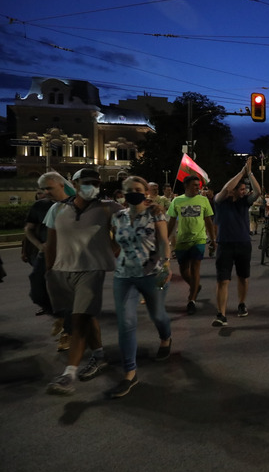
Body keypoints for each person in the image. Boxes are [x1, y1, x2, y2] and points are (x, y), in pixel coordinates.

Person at [44, 168, 124, 395]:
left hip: (91, 271)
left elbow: (127, 228)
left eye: (96, 183)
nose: (93, 187)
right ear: (75, 183)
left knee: (79, 319)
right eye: (87, 182)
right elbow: (51, 243)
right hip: (61, 272)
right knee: (85, 317)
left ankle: (68, 375)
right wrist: (49, 272)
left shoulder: (109, 208)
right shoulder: (57, 209)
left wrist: (110, 253)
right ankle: (99, 355)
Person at [107, 176, 172, 398]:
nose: (133, 192)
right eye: (129, 190)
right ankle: (130, 373)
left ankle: (166, 338)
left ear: (145, 192)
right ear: (123, 193)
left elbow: (164, 241)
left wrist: (165, 264)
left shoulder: (156, 214)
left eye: (138, 189)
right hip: (124, 276)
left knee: (158, 315)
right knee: (126, 323)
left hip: (151, 274)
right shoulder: (118, 217)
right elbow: (115, 243)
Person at [25, 172, 73, 351]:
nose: (46, 192)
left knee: (67, 296)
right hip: (44, 255)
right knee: (36, 292)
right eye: (43, 189)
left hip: (68, 257)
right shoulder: (40, 206)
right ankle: (59, 316)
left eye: (49, 188)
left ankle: (67, 333)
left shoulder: (75, 204)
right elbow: (28, 229)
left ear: (61, 185)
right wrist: (38, 245)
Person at [211, 156, 261, 325]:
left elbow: (258, 192)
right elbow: (226, 189)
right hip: (225, 244)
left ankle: (241, 303)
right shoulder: (220, 201)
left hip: (243, 244)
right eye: (240, 189)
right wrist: (241, 172)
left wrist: (250, 173)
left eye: (244, 189)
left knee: (242, 277)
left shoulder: (244, 203)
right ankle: (221, 314)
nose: (243, 191)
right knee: (222, 280)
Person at [167, 175, 216, 315]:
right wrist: (165, 239)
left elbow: (208, 221)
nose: (198, 187)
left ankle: (191, 300)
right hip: (182, 240)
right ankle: (195, 286)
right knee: (183, 270)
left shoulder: (203, 200)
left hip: (199, 239)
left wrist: (213, 239)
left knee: (195, 269)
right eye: (195, 185)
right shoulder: (177, 201)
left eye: (198, 185)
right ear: (186, 186)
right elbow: (171, 222)